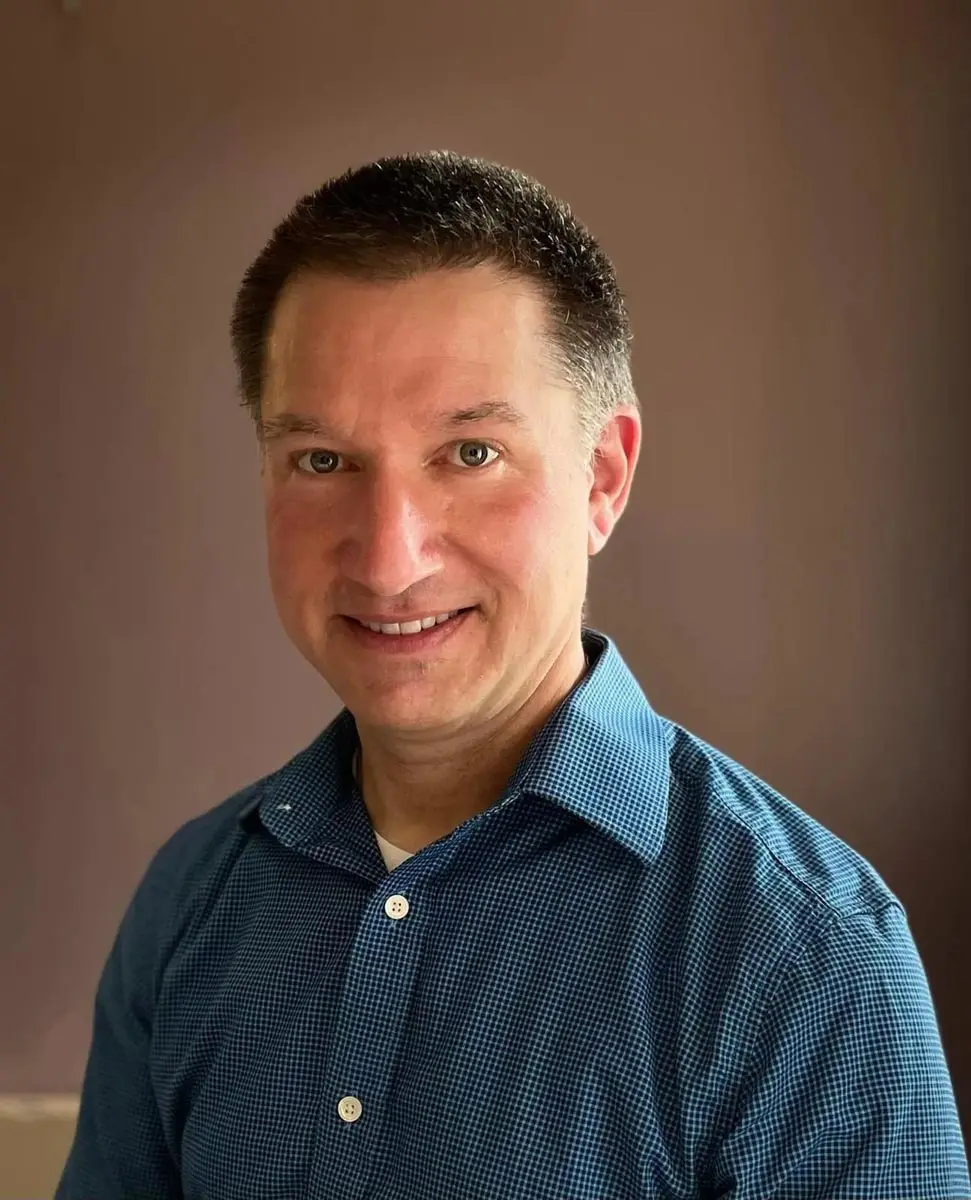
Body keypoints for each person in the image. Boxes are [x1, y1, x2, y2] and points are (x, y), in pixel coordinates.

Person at [57, 151, 970, 1200]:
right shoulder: (191, 905)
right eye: (321, 461)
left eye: (469, 454)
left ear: (602, 478)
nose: (388, 557)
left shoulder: (803, 957)